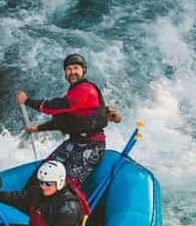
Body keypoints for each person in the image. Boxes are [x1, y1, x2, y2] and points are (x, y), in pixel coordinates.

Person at [16, 53, 121, 186]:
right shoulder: (73, 91)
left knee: (67, 185)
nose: (72, 72)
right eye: (69, 69)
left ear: (84, 71)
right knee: (41, 174)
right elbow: (66, 120)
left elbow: (54, 107)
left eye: (76, 68)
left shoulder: (86, 90)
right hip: (74, 142)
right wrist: (38, 128)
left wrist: (27, 101)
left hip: (91, 146)